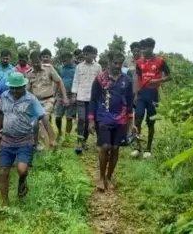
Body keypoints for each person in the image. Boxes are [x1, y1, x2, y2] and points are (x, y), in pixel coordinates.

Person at [0, 72, 57, 207]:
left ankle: (22, 181)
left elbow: (44, 118)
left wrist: (52, 138)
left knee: (22, 170)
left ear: (24, 86)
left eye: (18, 88)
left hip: (25, 140)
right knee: (2, 172)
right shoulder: (4, 96)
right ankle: (5, 203)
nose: (15, 91)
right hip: (7, 140)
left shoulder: (31, 100)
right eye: (13, 88)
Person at [88, 52, 135, 191]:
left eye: (120, 63)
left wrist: (131, 123)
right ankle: (101, 178)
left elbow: (130, 102)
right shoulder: (100, 79)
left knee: (115, 148)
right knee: (105, 147)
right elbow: (93, 100)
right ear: (109, 62)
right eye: (115, 63)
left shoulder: (127, 80)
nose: (117, 66)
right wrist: (91, 120)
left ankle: (109, 177)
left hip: (121, 120)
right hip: (103, 117)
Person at [131, 38, 171, 159]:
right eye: (142, 48)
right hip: (142, 94)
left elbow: (169, 76)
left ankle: (148, 148)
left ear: (152, 48)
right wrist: (135, 95)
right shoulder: (139, 62)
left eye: (146, 48)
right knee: (137, 119)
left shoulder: (160, 61)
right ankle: (137, 147)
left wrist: (157, 80)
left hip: (153, 94)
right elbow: (138, 78)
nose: (143, 51)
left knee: (150, 121)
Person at [26, 51, 69, 150]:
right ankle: (39, 142)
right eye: (34, 62)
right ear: (30, 62)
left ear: (41, 60)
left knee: (42, 120)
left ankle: (40, 147)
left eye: (38, 62)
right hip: (35, 102)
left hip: (48, 100)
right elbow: (27, 90)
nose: (36, 64)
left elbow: (59, 82)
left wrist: (65, 97)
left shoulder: (49, 68)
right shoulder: (28, 74)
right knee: (34, 123)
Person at [72, 45, 103, 154]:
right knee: (81, 119)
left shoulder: (98, 67)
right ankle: (79, 141)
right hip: (81, 96)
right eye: (84, 53)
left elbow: (101, 82)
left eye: (88, 53)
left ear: (94, 55)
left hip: (93, 99)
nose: (86, 55)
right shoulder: (79, 67)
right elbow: (76, 81)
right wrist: (74, 94)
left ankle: (90, 140)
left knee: (91, 120)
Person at [54, 51, 77, 139]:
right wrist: (54, 95)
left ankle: (67, 136)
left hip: (72, 95)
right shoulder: (60, 69)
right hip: (60, 95)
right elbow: (57, 82)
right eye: (63, 61)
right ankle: (59, 132)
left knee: (69, 118)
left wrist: (75, 95)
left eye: (67, 60)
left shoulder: (76, 69)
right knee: (58, 117)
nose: (65, 62)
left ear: (71, 59)